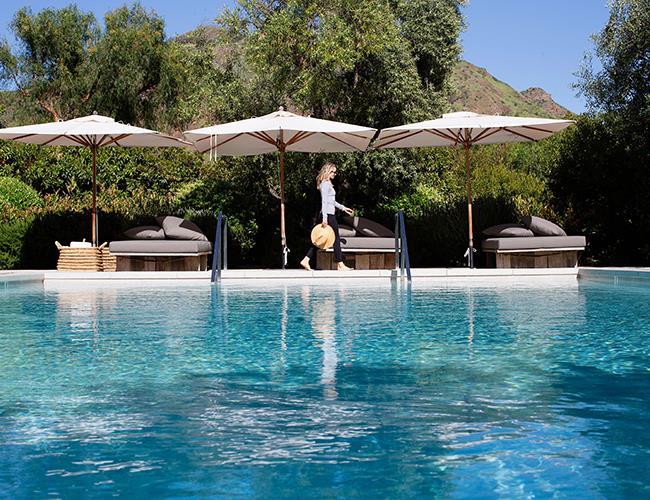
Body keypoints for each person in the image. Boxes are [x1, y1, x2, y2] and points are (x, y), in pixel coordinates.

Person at [300, 162, 354, 271]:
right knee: (336, 239)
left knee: (321, 239)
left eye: (335, 172)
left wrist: (343, 208)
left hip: (329, 214)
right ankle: (340, 264)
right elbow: (324, 202)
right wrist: (325, 219)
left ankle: (306, 260)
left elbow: (332, 201)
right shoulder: (325, 184)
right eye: (332, 172)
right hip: (328, 215)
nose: (334, 174)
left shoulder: (328, 184)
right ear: (327, 171)